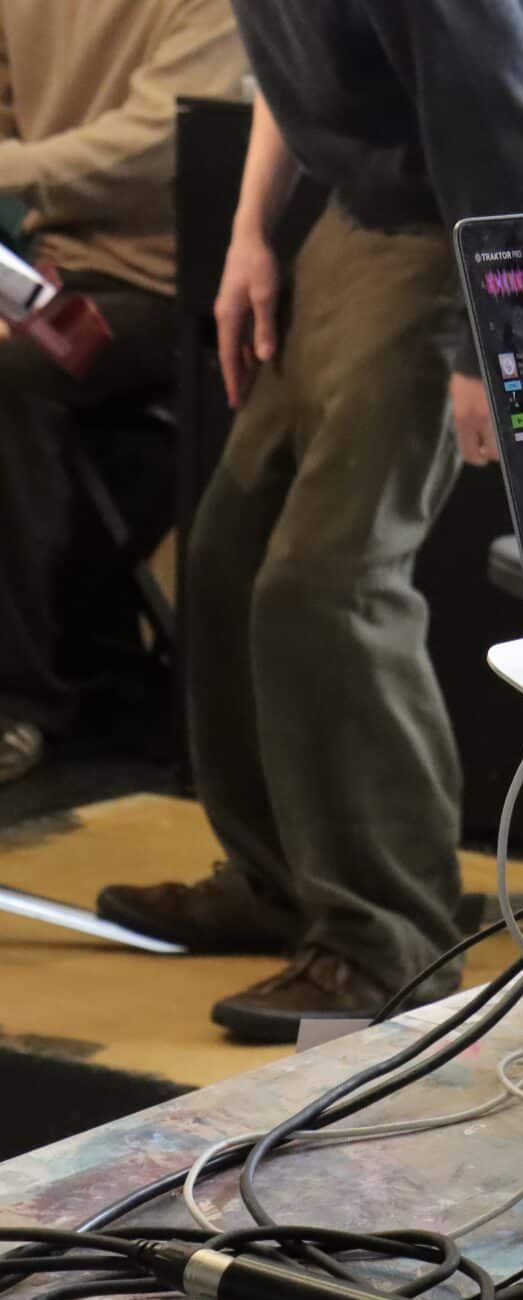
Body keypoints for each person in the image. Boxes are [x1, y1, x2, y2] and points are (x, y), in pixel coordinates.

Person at [95, 1, 523, 1043]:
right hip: (354, 213)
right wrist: (249, 236)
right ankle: (279, 880)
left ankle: (387, 933)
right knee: (227, 555)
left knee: (327, 581)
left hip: (462, 231)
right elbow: (291, 75)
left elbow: (507, 133)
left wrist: (488, 333)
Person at [0, 0, 246, 786]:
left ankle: (17, 702)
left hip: (172, 285)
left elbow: (155, 139)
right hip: (52, 267)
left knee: (13, 377)